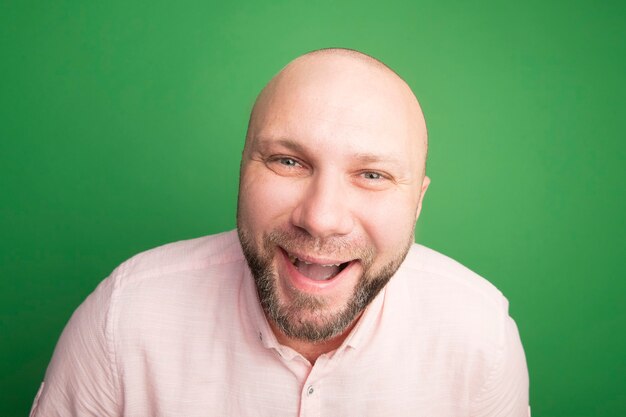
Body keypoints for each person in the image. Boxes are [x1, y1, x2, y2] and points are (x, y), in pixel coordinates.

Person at [31, 48, 529, 416]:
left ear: (417, 202)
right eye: (288, 161)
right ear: (244, 171)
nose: (321, 218)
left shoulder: (481, 340)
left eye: (372, 175)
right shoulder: (123, 319)